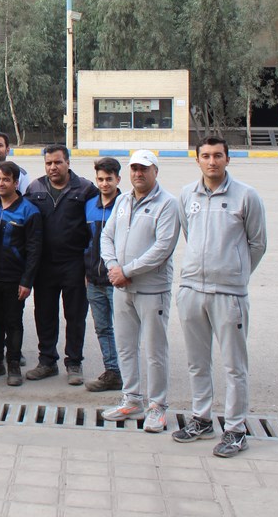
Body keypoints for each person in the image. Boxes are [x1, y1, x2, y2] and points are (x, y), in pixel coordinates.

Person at [172, 137, 267, 458]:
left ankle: (236, 430)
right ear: (197, 159)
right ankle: (201, 419)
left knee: (234, 366)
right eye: (206, 156)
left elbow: (257, 243)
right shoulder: (187, 195)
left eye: (217, 156)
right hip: (192, 291)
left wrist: (235, 274)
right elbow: (190, 235)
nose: (212, 162)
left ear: (228, 159)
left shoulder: (246, 196)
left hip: (229, 295)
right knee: (197, 362)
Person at [99, 150, 181, 434]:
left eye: (144, 169)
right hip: (121, 287)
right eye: (134, 168)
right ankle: (131, 399)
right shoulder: (123, 200)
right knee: (125, 346)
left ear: (155, 171)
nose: (138, 173)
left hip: (151, 289)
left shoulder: (168, 204)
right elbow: (107, 235)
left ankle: (157, 406)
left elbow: (162, 248)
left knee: (155, 351)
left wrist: (127, 271)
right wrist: (113, 267)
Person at [24, 144, 99, 385]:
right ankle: (47, 361)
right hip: (44, 265)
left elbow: (95, 226)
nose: (53, 167)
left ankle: (74, 363)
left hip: (74, 263)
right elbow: (21, 214)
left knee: (75, 315)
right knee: (44, 314)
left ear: (68, 162)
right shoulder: (35, 188)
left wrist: (90, 265)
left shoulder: (86, 189)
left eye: (58, 162)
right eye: (49, 163)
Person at [0, 161, 42, 386]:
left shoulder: (29, 211)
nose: (1, 183)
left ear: (16, 183)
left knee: (13, 322)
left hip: (14, 278)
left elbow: (34, 250)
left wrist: (27, 281)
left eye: (6, 180)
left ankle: (13, 364)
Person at [84, 157, 124, 393]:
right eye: (100, 179)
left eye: (109, 179)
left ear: (118, 179)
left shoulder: (126, 205)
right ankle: (112, 372)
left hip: (118, 281)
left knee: (124, 330)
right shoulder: (90, 205)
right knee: (103, 329)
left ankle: (129, 373)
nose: (104, 184)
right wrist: (86, 271)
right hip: (94, 280)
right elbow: (85, 241)